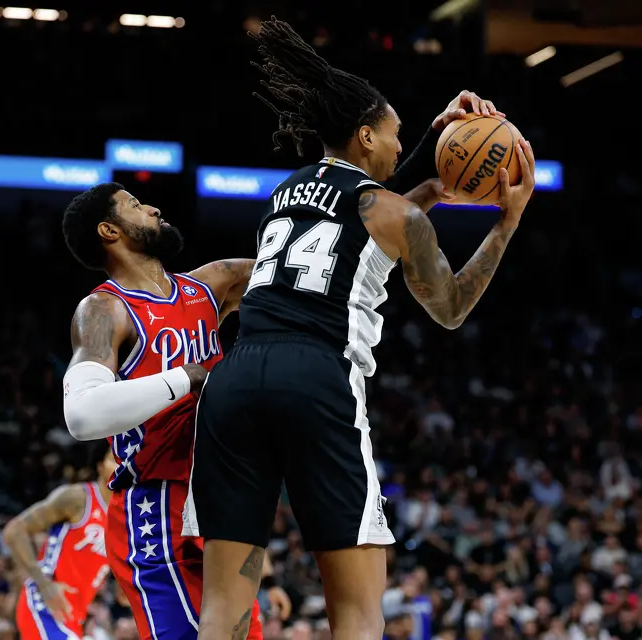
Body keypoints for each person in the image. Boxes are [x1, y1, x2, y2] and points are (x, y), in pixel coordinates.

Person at [188, 17, 537, 640]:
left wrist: (434, 159)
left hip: (234, 379)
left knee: (224, 610)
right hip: (315, 378)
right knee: (357, 610)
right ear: (366, 133)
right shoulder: (393, 210)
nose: (402, 146)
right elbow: (449, 307)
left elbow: (364, 212)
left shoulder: (287, 191)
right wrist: (504, 225)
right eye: (398, 134)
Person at [59, 182, 262, 640]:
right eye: (135, 204)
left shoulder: (209, 285)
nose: (152, 207)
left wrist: (423, 191)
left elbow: (313, 260)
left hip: (218, 497)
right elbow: (83, 415)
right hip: (155, 504)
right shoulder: (103, 310)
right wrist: (187, 376)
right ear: (110, 230)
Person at [5, 444, 116, 640]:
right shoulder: (78, 498)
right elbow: (14, 531)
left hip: (74, 618)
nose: (121, 465)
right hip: (44, 605)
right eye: (114, 459)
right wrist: (45, 584)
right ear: (99, 466)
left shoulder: (124, 521)